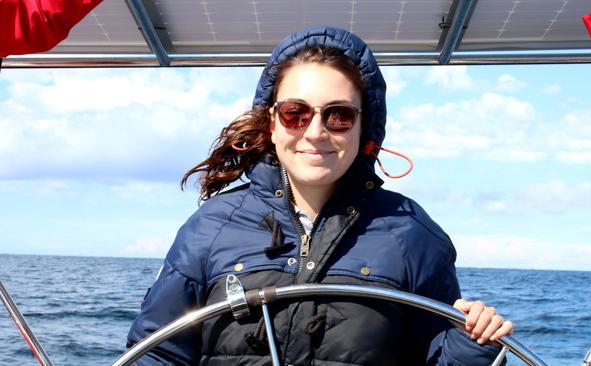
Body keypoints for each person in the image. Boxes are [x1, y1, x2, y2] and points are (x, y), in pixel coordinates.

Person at [127, 26, 513, 365]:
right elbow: (155, 353)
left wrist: (473, 341)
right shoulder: (211, 227)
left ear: (365, 127)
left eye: (339, 115)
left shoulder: (412, 234)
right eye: (296, 113)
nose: (315, 132)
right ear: (272, 123)